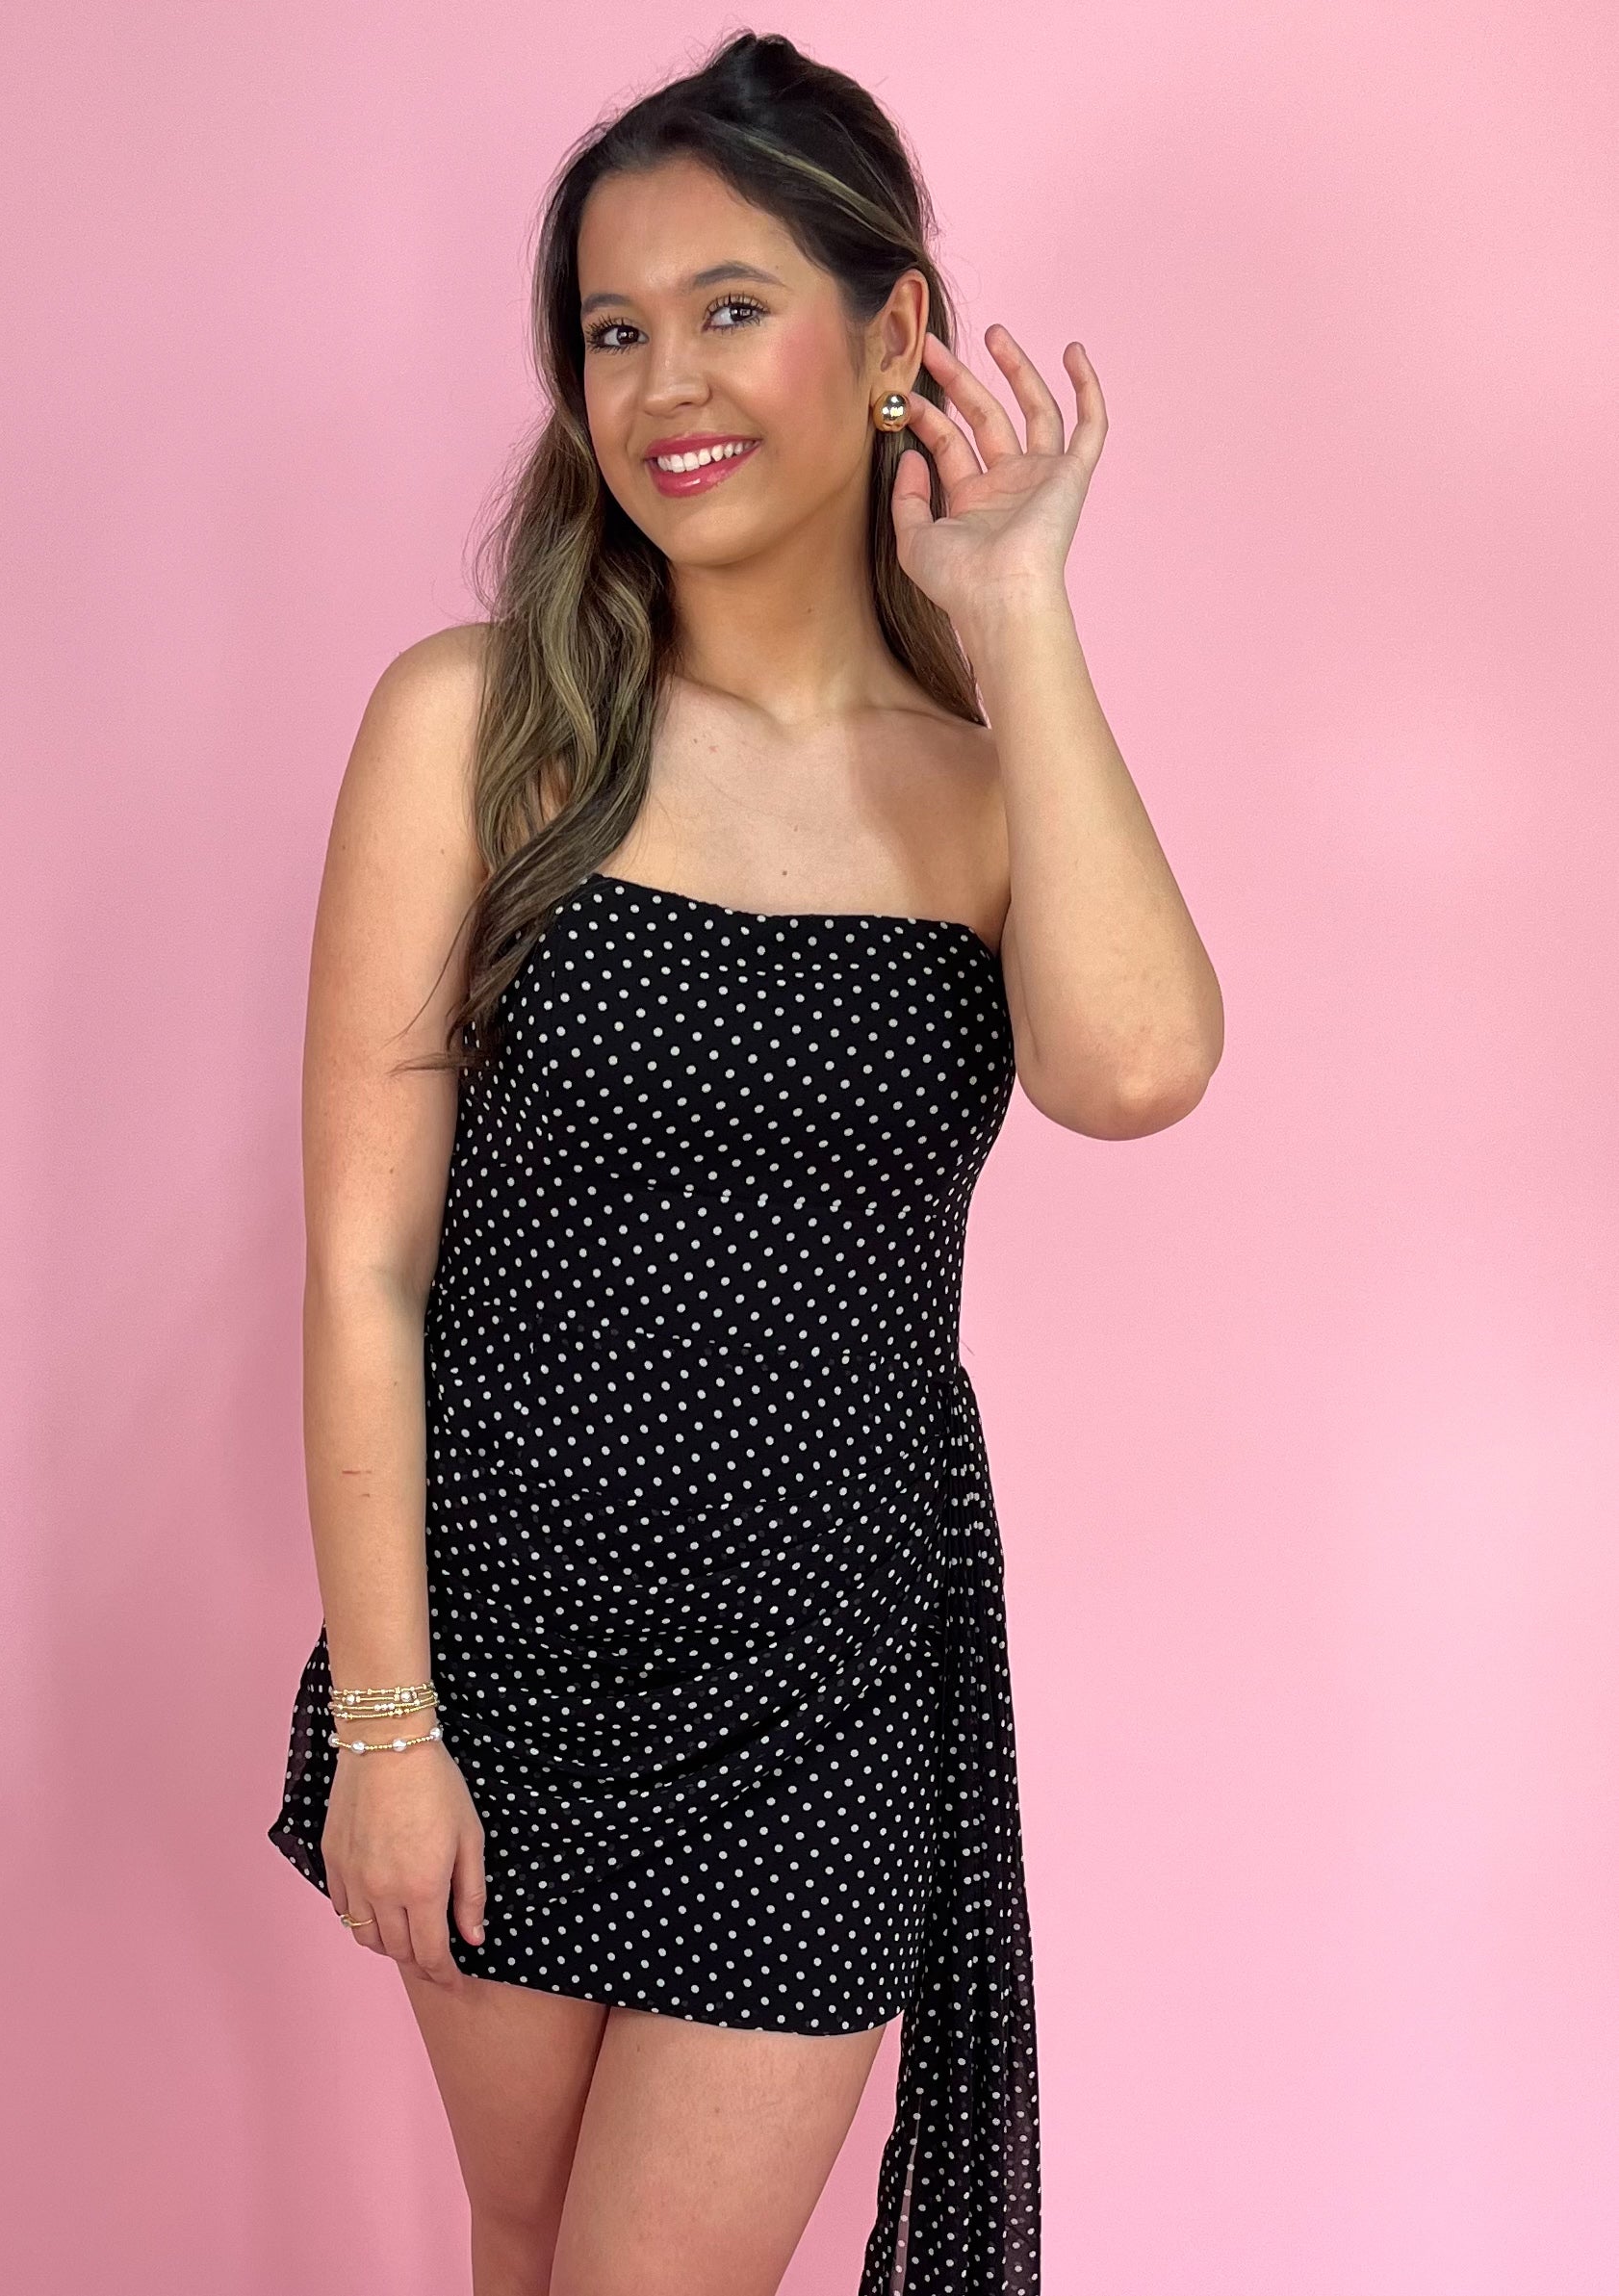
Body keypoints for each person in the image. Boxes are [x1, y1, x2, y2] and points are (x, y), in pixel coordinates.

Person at [269, 30, 1221, 2296]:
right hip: (495, 1648)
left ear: (895, 338)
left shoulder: (981, 791)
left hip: (821, 1678)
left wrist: (1016, 602)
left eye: (730, 307)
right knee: (527, 2243)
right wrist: (391, 1722)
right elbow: (366, 1260)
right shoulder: (471, 727)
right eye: (614, 330)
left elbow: (1135, 1066)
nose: (664, 383)